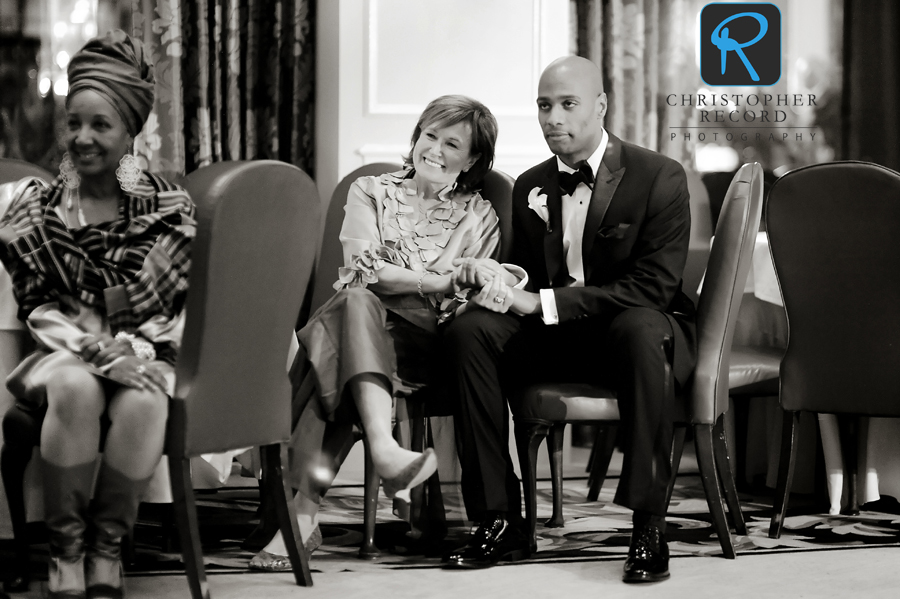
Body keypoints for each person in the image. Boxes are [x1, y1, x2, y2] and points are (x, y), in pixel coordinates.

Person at [442, 56, 697, 583]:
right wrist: (502, 283)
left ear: (600, 106)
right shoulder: (530, 184)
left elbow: (653, 288)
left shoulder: (659, 176)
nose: (552, 117)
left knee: (642, 327)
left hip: (637, 331)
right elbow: (532, 278)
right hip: (564, 333)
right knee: (471, 332)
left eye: (567, 104)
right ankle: (498, 517)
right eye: (543, 105)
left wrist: (542, 304)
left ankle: (649, 524)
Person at [249, 95, 504, 570]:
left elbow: (464, 299)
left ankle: (303, 515)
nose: (435, 149)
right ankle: (383, 451)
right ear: (416, 137)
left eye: (452, 143)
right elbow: (363, 271)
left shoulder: (480, 216)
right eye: (430, 134)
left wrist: (438, 283)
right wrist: (437, 278)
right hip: (366, 329)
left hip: (426, 347)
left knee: (340, 337)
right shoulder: (370, 191)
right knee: (356, 307)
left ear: (471, 159)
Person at [0, 31, 195, 599]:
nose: (82, 138)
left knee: (146, 397)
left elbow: (166, 311)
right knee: (76, 388)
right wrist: (95, 349)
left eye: (100, 125)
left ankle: (107, 552)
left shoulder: (168, 207)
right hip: (62, 352)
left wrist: (127, 352)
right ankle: (66, 554)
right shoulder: (32, 207)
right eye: (74, 123)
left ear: (130, 131)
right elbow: (38, 306)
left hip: (143, 350)